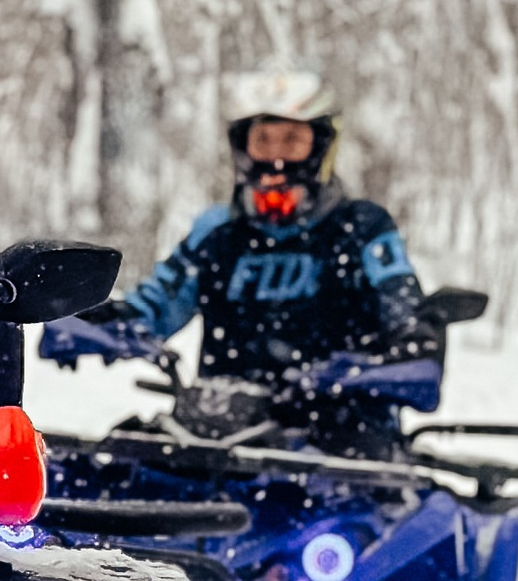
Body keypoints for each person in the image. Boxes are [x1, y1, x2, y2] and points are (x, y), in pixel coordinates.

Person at [67, 68, 438, 450]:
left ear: (322, 147)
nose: (276, 159)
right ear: (243, 146)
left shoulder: (362, 229)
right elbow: (157, 305)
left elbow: (403, 310)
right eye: (264, 141)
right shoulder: (217, 232)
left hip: (339, 437)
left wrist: (404, 351)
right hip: (223, 440)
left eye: (292, 141)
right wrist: (92, 318)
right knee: (108, 467)